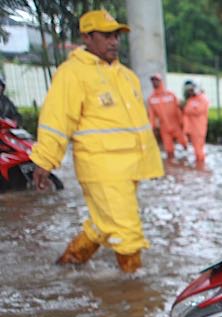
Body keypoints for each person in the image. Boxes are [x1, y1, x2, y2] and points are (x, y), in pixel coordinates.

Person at [31, 9, 163, 273]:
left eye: (116, 35)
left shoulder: (126, 76)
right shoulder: (72, 73)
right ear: (87, 37)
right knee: (127, 232)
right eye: (106, 35)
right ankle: (135, 294)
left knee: (102, 225)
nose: (114, 41)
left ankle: (65, 268)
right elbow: (56, 120)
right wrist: (45, 160)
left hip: (131, 167)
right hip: (102, 168)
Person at [147, 73, 187, 159]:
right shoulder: (151, 98)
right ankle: (171, 167)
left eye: (156, 80)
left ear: (160, 81)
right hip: (164, 127)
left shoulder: (171, 94)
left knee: (185, 145)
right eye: (153, 81)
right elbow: (152, 116)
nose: (154, 82)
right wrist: (152, 128)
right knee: (169, 151)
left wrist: (182, 123)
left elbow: (179, 108)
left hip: (176, 126)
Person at [182, 80, 209, 165]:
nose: (191, 91)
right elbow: (188, 111)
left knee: (198, 150)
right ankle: (199, 165)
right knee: (196, 149)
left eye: (192, 88)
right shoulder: (191, 99)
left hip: (199, 129)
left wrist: (187, 109)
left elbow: (198, 110)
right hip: (192, 129)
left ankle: (200, 166)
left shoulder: (203, 98)